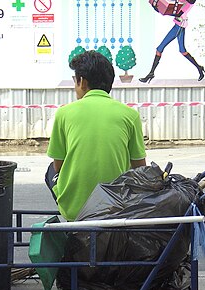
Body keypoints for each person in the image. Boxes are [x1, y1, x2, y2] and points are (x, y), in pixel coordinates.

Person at [46, 50, 147, 221]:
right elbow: (139, 167)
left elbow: (58, 166)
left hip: (75, 210)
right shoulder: (130, 115)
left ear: (82, 82)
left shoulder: (64, 113)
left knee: (50, 170)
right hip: (116, 207)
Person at [140, 0, 205, 83]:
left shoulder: (190, 3)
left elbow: (177, 12)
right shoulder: (186, 1)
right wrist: (158, 7)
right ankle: (199, 68)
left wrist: (162, 10)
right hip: (178, 25)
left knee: (161, 49)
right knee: (181, 50)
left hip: (179, 26)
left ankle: (151, 73)